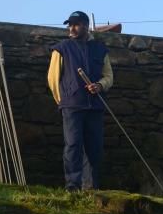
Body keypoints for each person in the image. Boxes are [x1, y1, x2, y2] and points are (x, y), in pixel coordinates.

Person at [46, 10, 114, 192]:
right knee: (73, 145)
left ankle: (91, 186)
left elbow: (109, 76)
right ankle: (73, 186)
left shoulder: (100, 49)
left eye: (76, 24)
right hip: (71, 106)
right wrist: (64, 101)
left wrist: (100, 86)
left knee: (94, 147)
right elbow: (53, 79)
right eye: (70, 25)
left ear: (85, 26)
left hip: (95, 106)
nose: (72, 28)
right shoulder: (61, 48)